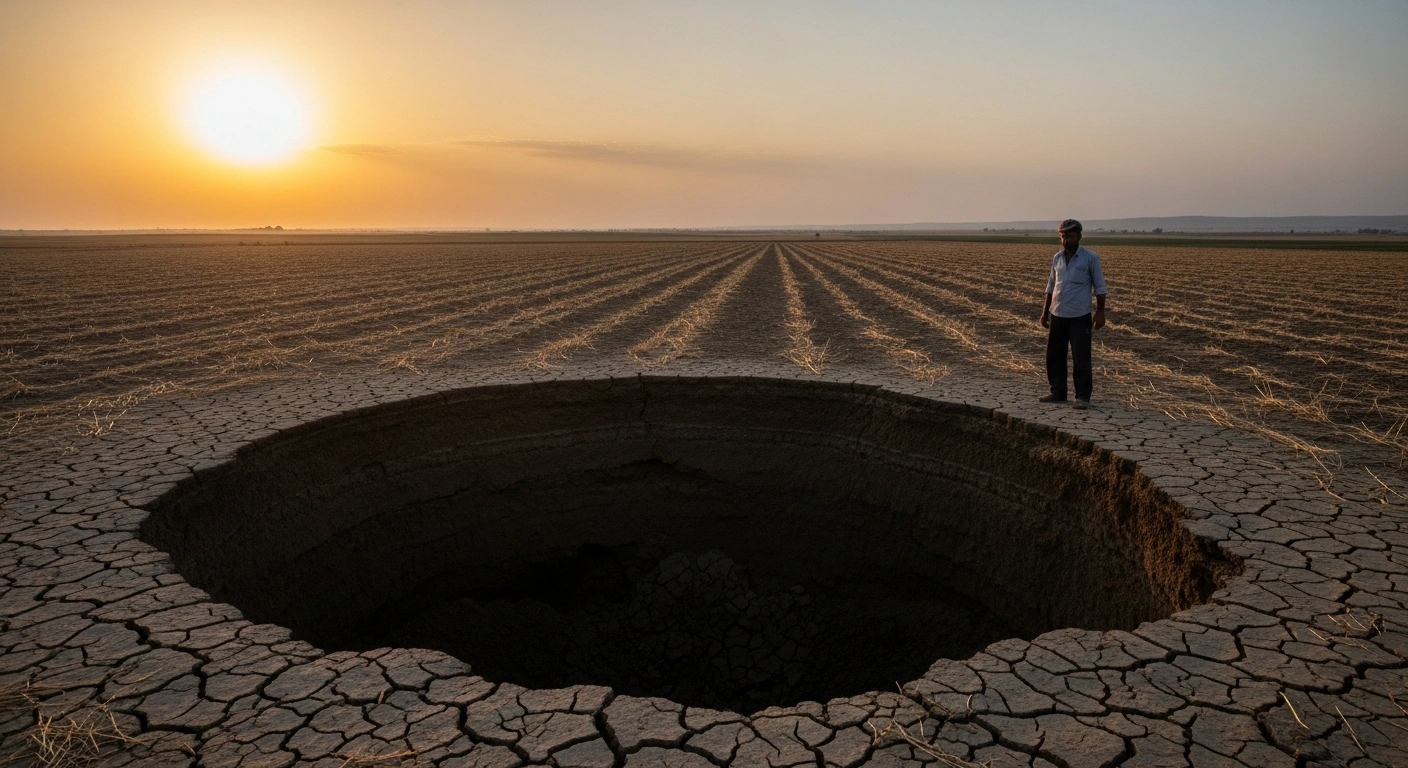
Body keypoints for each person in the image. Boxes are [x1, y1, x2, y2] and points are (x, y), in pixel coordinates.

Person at [1039, 219, 1107, 409]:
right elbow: (1051, 287)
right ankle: (1057, 392)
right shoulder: (1057, 258)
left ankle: (1082, 396)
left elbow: (1100, 287)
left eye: (1069, 236)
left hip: (1079, 315)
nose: (1065, 240)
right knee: (1054, 356)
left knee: (1081, 357)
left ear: (1079, 236)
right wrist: (1045, 313)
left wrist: (1100, 312)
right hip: (1057, 314)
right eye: (1062, 236)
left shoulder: (1090, 258)